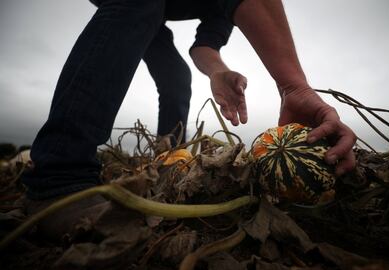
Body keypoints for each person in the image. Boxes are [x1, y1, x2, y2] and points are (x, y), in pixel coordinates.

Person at [21, 0, 356, 236]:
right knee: (139, 5)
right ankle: (58, 176)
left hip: (156, 10)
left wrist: (227, 74)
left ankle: (170, 156)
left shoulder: (223, 6)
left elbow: (204, 47)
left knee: (177, 77)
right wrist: (292, 85)